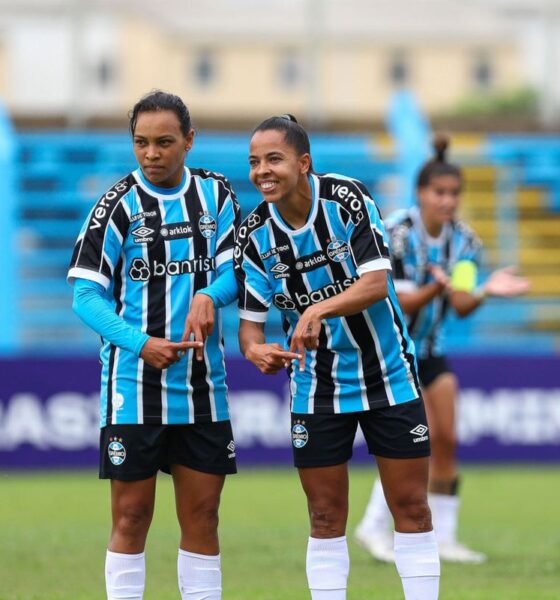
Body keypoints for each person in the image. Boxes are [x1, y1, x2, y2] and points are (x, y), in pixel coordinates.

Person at [234, 114, 440, 600]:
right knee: (325, 516)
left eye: (274, 159)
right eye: (254, 162)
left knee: (410, 506)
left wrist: (316, 310)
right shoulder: (254, 234)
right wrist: (256, 351)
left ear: (304, 163)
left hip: (387, 373)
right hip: (315, 385)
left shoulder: (346, 198)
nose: (262, 170)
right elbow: (250, 330)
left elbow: (375, 283)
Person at [67, 91, 240, 600]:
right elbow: (85, 295)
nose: (151, 154)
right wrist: (141, 343)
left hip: (203, 386)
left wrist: (210, 292)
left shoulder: (216, 195)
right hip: (134, 384)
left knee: (204, 517)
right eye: (141, 143)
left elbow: (237, 272)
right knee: (132, 515)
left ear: (189, 140)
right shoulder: (116, 206)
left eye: (164, 142)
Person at [354, 135, 530, 564]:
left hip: (430, 350)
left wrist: (485, 289)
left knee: (447, 438)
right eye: (439, 192)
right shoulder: (395, 234)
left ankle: (446, 537)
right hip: (393, 350)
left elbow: (462, 303)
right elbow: (396, 298)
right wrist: (439, 284)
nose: (448, 201)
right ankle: (373, 526)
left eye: (454, 193)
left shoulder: (465, 243)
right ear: (420, 194)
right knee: (417, 440)